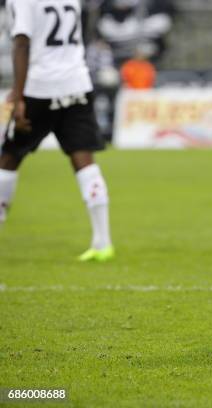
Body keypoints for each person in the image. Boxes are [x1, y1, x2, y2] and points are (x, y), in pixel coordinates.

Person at [0, 0, 114, 262]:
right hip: (76, 83)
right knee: (83, 158)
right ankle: (103, 242)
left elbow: (21, 42)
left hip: (40, 85)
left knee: (8, 157)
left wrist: (18, 96)